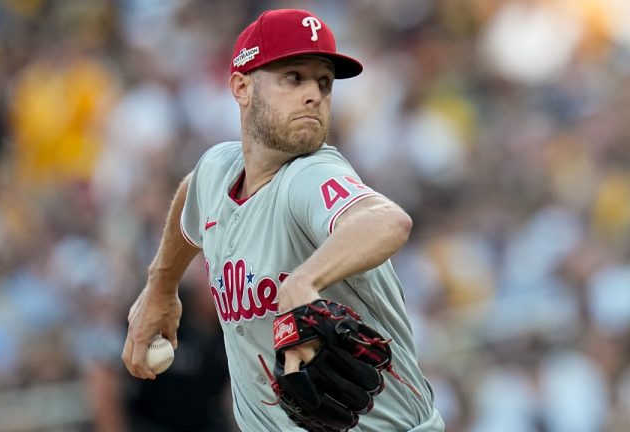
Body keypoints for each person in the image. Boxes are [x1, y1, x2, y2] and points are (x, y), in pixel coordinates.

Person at [122, 8, 445, 431]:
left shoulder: (309, 176)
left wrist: (303, 280)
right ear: (241, 86)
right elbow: (192, 193)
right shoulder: (218, 170)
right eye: (294, 77)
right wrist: (161, 287)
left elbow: (385, 220)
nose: (314, 93)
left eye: (324, 82)